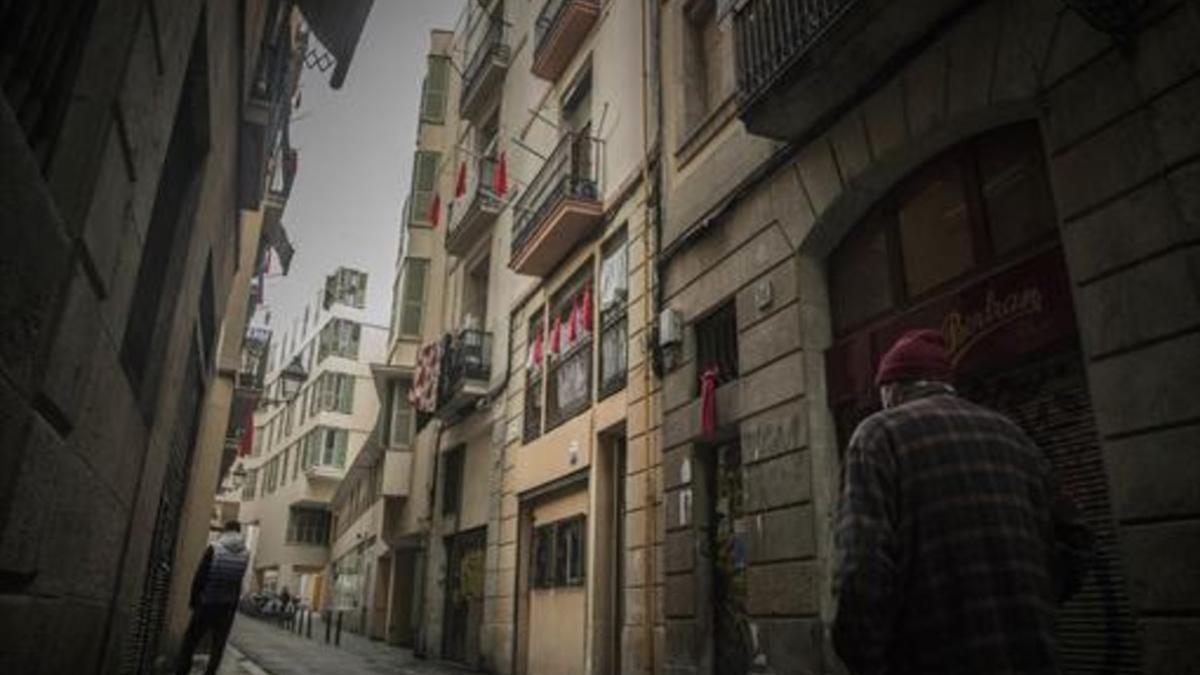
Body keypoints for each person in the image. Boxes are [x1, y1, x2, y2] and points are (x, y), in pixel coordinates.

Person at [832, 329, 1094, 675]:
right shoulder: (1013, 436)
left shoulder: (878, 435)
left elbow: (860, 572)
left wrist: (866, 661)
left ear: (893, 388)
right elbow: (1077, 539)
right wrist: (1030, 600)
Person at [176, 520, 250, 675]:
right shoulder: (245, 554)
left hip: (207, 602)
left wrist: (193, 600)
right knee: (218, 645)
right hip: (227, 607)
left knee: (190, 640)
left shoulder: (214, 548)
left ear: (226, 530)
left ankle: (182, 671)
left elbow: (200, 576)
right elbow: (237, 582)